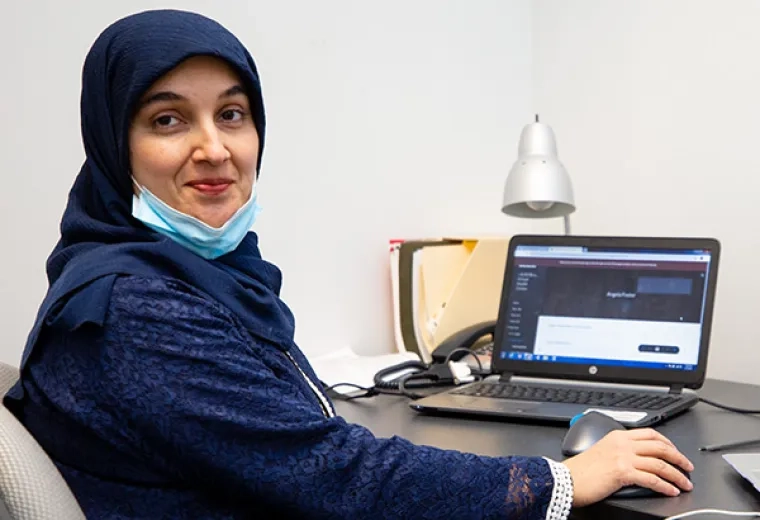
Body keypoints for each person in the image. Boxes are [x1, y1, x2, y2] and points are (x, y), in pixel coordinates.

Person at [4, 9, 694, 520]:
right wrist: (562, 479)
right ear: (111, 141)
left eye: (233, 114)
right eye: (168, 120)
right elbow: (337, 476)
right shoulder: (136, 310)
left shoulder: (188, 278)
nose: (214, 149)